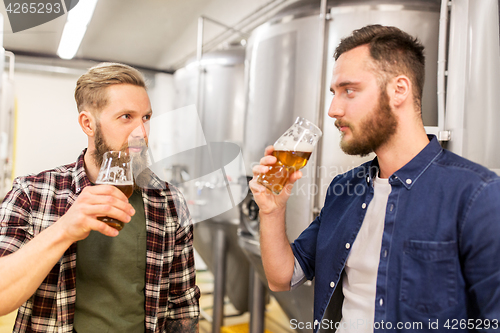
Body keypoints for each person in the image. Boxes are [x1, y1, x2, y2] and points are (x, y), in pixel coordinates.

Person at [250, 25, 500, 332]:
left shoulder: (477, 195)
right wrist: (272, 210)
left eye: (349, 91)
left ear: (399, 90)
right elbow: (282, 277)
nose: (333, 109)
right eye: (334, 93)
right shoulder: (344, 189)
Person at [0, 63, 200, 333]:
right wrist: (64, 229)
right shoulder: (32, 193)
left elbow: (183, 308)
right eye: (126, 117)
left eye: (146, 117)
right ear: (88, 123)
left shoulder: (169, 202)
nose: (142, 132)